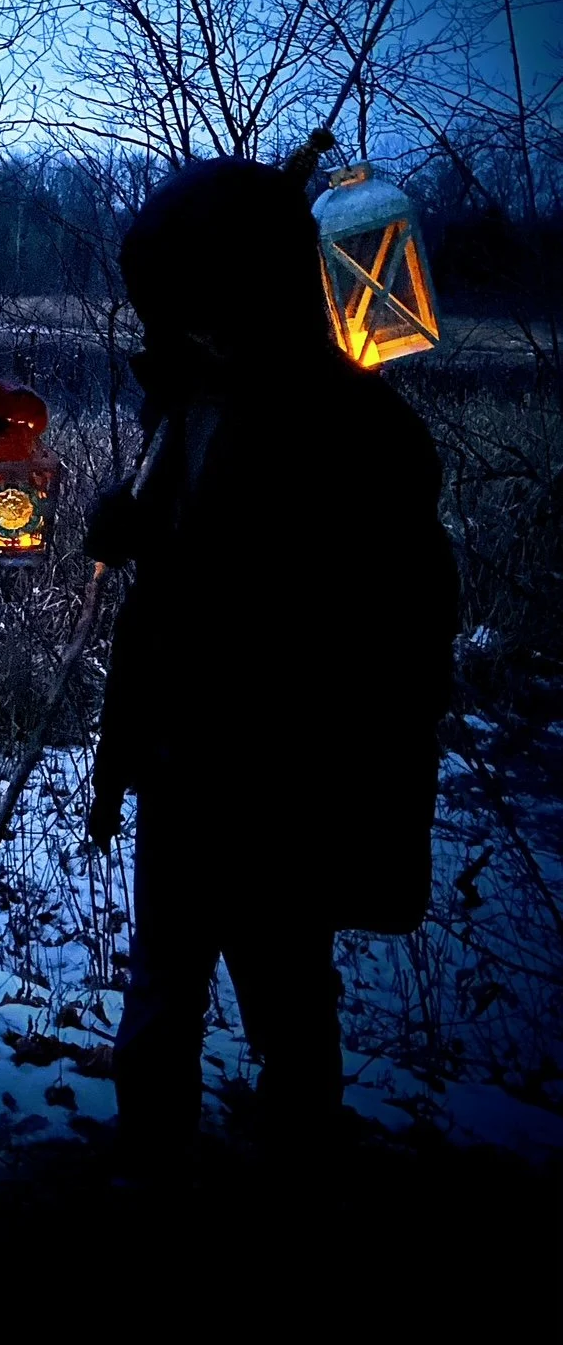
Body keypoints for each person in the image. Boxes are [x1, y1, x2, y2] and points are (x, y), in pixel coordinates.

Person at [84, 158, 459, 1207]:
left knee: (289, 998)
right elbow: (167, 538)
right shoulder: (183, 403)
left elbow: (413, 624)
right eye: (176, 313)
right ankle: (148, 1169)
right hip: (176, 764)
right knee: (162, 990)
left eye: (208, 310)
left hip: (287, 786)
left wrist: (351, 748)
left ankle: (300, 1180)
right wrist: (123, 520)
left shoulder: (361, 430)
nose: (192, 333)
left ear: (255, 295)